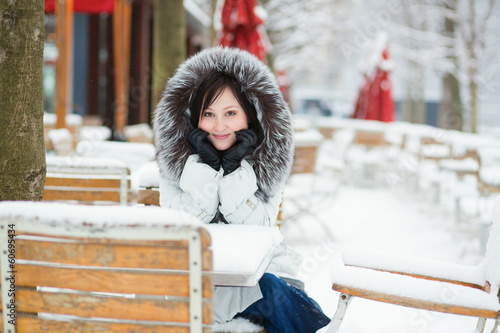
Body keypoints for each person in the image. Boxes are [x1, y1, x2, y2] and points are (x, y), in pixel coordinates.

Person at [154, 47, 330, 333]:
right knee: (275, 295)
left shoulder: (265, 165)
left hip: (255, 279)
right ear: (194, 119)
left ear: (249, 116)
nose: (220, 125)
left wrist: (236, 171)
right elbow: (183, 226)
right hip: (193, 283)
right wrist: (208, 171)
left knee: (272, 294)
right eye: (208, 114)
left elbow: (259, 227)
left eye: (231, 113)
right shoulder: (176, 166)